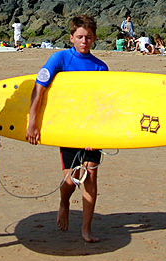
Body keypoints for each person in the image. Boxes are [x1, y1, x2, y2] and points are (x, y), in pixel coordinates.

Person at [26, 14, 108, 243]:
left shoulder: (100, 67)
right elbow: (39, 89)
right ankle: (64, 202)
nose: (85, 41)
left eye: (89, 37)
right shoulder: (59, 59)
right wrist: (33, 122)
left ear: (94, 39)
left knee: (90, 176)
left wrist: (100, 134)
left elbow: (102, 103)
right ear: (71, 37)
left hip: (91, 129)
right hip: (67, 128)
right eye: (80, 37)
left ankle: (86, 229)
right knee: (73, 179)